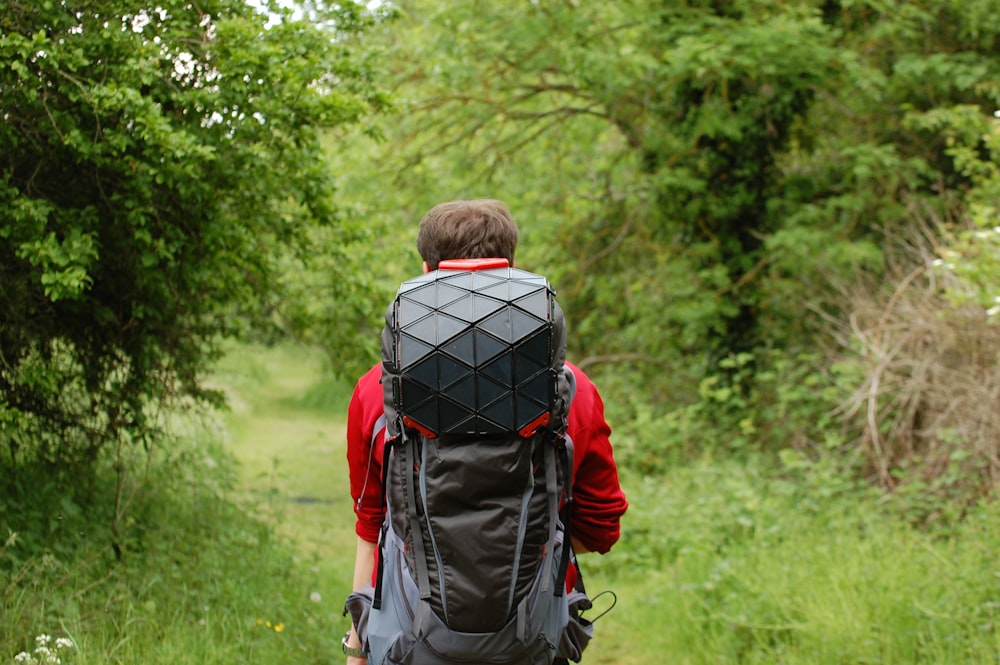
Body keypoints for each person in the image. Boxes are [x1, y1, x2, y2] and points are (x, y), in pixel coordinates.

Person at [343, 199, 629, 664]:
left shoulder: (378, 392)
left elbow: (372, 524)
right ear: (510, 271)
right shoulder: (572, 391)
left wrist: (357, 650)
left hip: (408, 641)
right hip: (532, 641)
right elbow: (601, 525)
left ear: (426, 270)